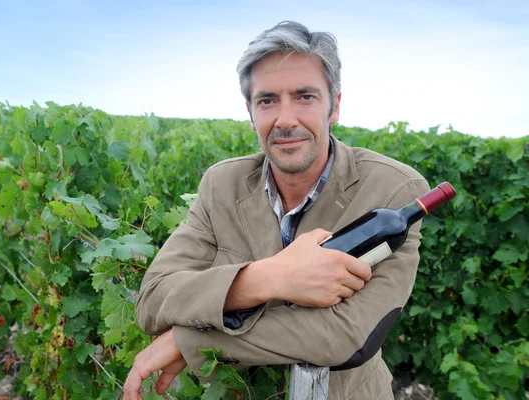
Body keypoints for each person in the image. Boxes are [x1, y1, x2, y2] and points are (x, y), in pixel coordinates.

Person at [123, 21, 430, 400]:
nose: (285, 119)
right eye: (267, 100)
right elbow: (153, 299)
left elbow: (348, 338)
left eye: (305, 97)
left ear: (334, 107)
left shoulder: (392, 191)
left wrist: (188, 339)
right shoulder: (221, 185)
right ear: (251, 113)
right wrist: (266, 279)